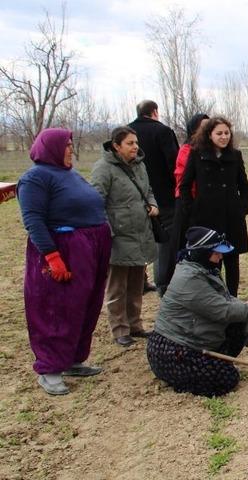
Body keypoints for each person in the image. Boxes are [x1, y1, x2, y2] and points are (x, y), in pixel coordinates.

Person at [16, 128, 111, 395]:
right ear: (52, 148)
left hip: (90, 248)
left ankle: (73, 359)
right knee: (57, 309)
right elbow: (33, 219)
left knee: (85, 303)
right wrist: (52, 255)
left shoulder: (69, 174)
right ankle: (50, 368)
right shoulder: (35, 178)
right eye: (67, 145)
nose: (71, 149)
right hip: (64, 249)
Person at [147, 227, 248, 397]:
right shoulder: (189, 279)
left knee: (240, 319)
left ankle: (214, 361)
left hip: (187, 341)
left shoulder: (201, 269)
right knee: (227, 379)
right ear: (202, 253)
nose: (220, 256)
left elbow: (225, 299)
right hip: (172, 351)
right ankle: (185, 378)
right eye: (216, 253)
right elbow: (222, 309)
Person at [91, 126, 159, 347]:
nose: (135, 147)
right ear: (116, 146)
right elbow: (95, 202)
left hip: (140, 233)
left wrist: (152, 204)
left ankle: (135, 324)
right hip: (118, 237)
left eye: (136, 143)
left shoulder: (140, 166)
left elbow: (148, 190)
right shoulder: (103, 169)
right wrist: (108, 232)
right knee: (117, 287)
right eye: (130, 143)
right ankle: (120, 329)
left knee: (136, 284)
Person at [179, 116, 248, 297]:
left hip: (232, 217)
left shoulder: (235, 155)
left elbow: (244, 186)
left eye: (227, 133)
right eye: (219, 133)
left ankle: (232, 299)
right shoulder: (197, 154)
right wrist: (193, 210)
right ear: (209, 135)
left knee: (232, 261)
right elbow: (185, 185)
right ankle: (214, 300)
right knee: (211, 262)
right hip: (207, 218)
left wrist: (242, 209)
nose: (224, 137)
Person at [129, 100, 180, 296]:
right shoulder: (163, 131)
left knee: (138, 241)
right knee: (164, 241)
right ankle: (163, 284)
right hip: (163, 197)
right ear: (155, 112)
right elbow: (173, 165)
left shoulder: (126, 134)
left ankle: (140, 282)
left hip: (134, 197)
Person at [169, 113, 209, 285]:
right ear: (194, 130)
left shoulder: (211, 151)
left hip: (205, 205)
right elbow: (186, 181)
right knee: (185, 246)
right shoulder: (187, 150)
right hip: (187, 204)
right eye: (204, 126)